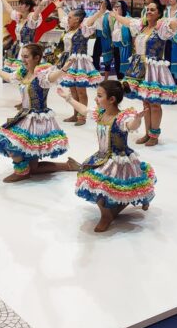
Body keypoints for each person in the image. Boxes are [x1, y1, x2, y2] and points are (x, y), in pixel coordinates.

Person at [58, 80, 155, 233]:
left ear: (112, 99)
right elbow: (84, 110)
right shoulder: (101, 113)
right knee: (93, 181)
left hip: (119, 160)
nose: (96, 99)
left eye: (99, 96)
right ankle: (108, 213)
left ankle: (108, 215)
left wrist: (137, 119)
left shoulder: (122, 118)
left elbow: (131, 126)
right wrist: (68, 99)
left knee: (121, 186)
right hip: (102, 157)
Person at [112, 0, 177, 146]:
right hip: (138, 67)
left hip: (153, 70)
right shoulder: (141, 26)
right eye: (147, 9)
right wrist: (115, 15)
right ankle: (147, 133)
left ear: (158, 14)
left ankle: (154, 135)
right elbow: (127, 21)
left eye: (152, 10)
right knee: (145, 102)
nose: (149, 11)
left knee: (154, 103)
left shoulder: (161, 28)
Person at [0, 43, 79, 182]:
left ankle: (22, 172)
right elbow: (8, 77)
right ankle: (68, 165)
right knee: (30, 164)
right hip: (24, 116)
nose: (23, 60)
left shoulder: (42, 75)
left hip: (37, 121)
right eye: (22, 57)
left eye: (26, 57)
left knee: (12, 144)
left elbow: (51, 77)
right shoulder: (23, 72)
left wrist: (63, 70)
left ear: (37, 58)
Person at [55, 0, 106, 125]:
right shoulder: (69, 28)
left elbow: (90, 20)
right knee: (72, 90)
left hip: (79, 62)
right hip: (68, 61)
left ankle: (82, 116)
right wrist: (58, 7)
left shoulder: (83, 29)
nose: (68, 19)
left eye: (71, 17)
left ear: (77, 20)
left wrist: (100, 12)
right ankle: (75, 113)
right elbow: (62, 17)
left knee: (80, 91)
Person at [0, 0, 49, 72]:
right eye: (19, 4)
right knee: (16, 71)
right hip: (17, 47)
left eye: (22, 4)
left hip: (28, 48)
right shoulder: (19, 17)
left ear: (28, 6)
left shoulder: (31, 20)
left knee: (25, 69)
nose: (19, 6)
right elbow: (9, 9)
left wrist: (42, 4)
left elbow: (36, 14)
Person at [91, 0, 114, 79]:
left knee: (107, 59)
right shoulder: (96, 13)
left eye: (102, 2)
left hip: (107, 38)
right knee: (95, 57)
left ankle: (106, 78)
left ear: (106, 3)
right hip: (98, 37)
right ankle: (96, 76)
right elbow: (90, 23)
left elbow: (112, 28)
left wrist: (112, 40)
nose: (100, 3)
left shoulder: (109, 14)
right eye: (99, 1)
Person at [110, 0, 132, 79]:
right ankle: (119, 83)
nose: (115, 8)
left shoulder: (128, 19)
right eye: (115, 6)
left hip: (125, 48)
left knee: (125, 68)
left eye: (117, 6)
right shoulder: (115, 20)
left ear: (122, 8)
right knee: (117, 66)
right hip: (116, 47)